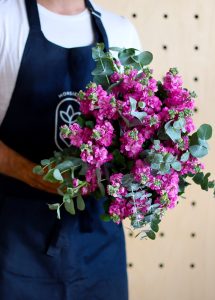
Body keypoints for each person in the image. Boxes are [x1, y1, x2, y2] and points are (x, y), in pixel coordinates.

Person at [0, 0, 141, 299]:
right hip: (15, 239)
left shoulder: (120, 31)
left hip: (98, 245)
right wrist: (32, 173)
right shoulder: (4, 19)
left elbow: (137, 134)